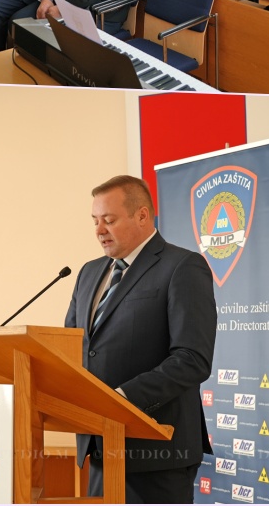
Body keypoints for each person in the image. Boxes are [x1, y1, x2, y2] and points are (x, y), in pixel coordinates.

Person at [64, 175, 216, 503]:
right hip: (101, 445)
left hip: (157, 453)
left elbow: (192, 359)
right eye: (95, 221)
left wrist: (121, 399)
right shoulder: (89, 272)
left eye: (109, 220)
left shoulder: (183, 267)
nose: (99, 230)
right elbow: (72, 346)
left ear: (142, 215)